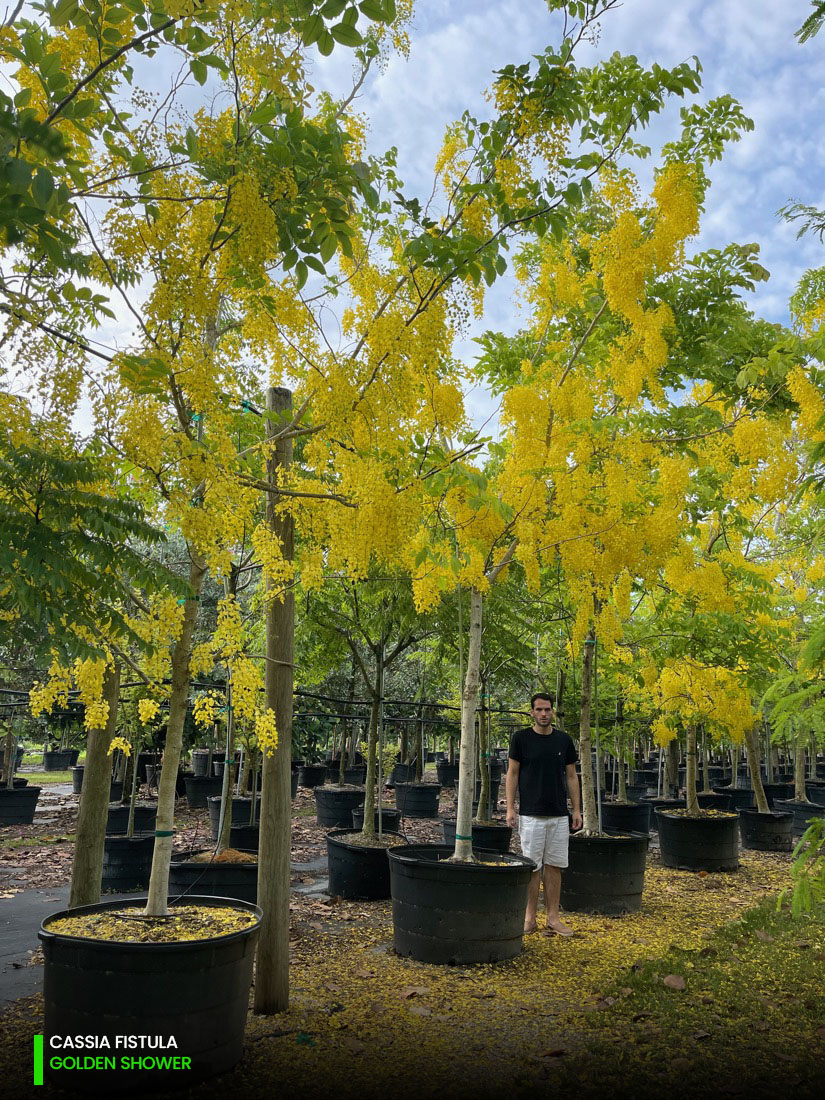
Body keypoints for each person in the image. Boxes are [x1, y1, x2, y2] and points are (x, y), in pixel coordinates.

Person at [506, 692, 582, 936]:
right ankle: (529, 918)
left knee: (555, 866)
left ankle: (553, 917)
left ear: (553, 712)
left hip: (559, 815)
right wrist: (510, 807)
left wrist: (577, 810)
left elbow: (571, 776)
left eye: (547, 710)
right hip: (531, 815)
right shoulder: (520, 739)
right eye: (539, 710)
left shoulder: (564, 741)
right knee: (532, 867)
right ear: (532, 712)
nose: (544, 714)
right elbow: (512, 774)